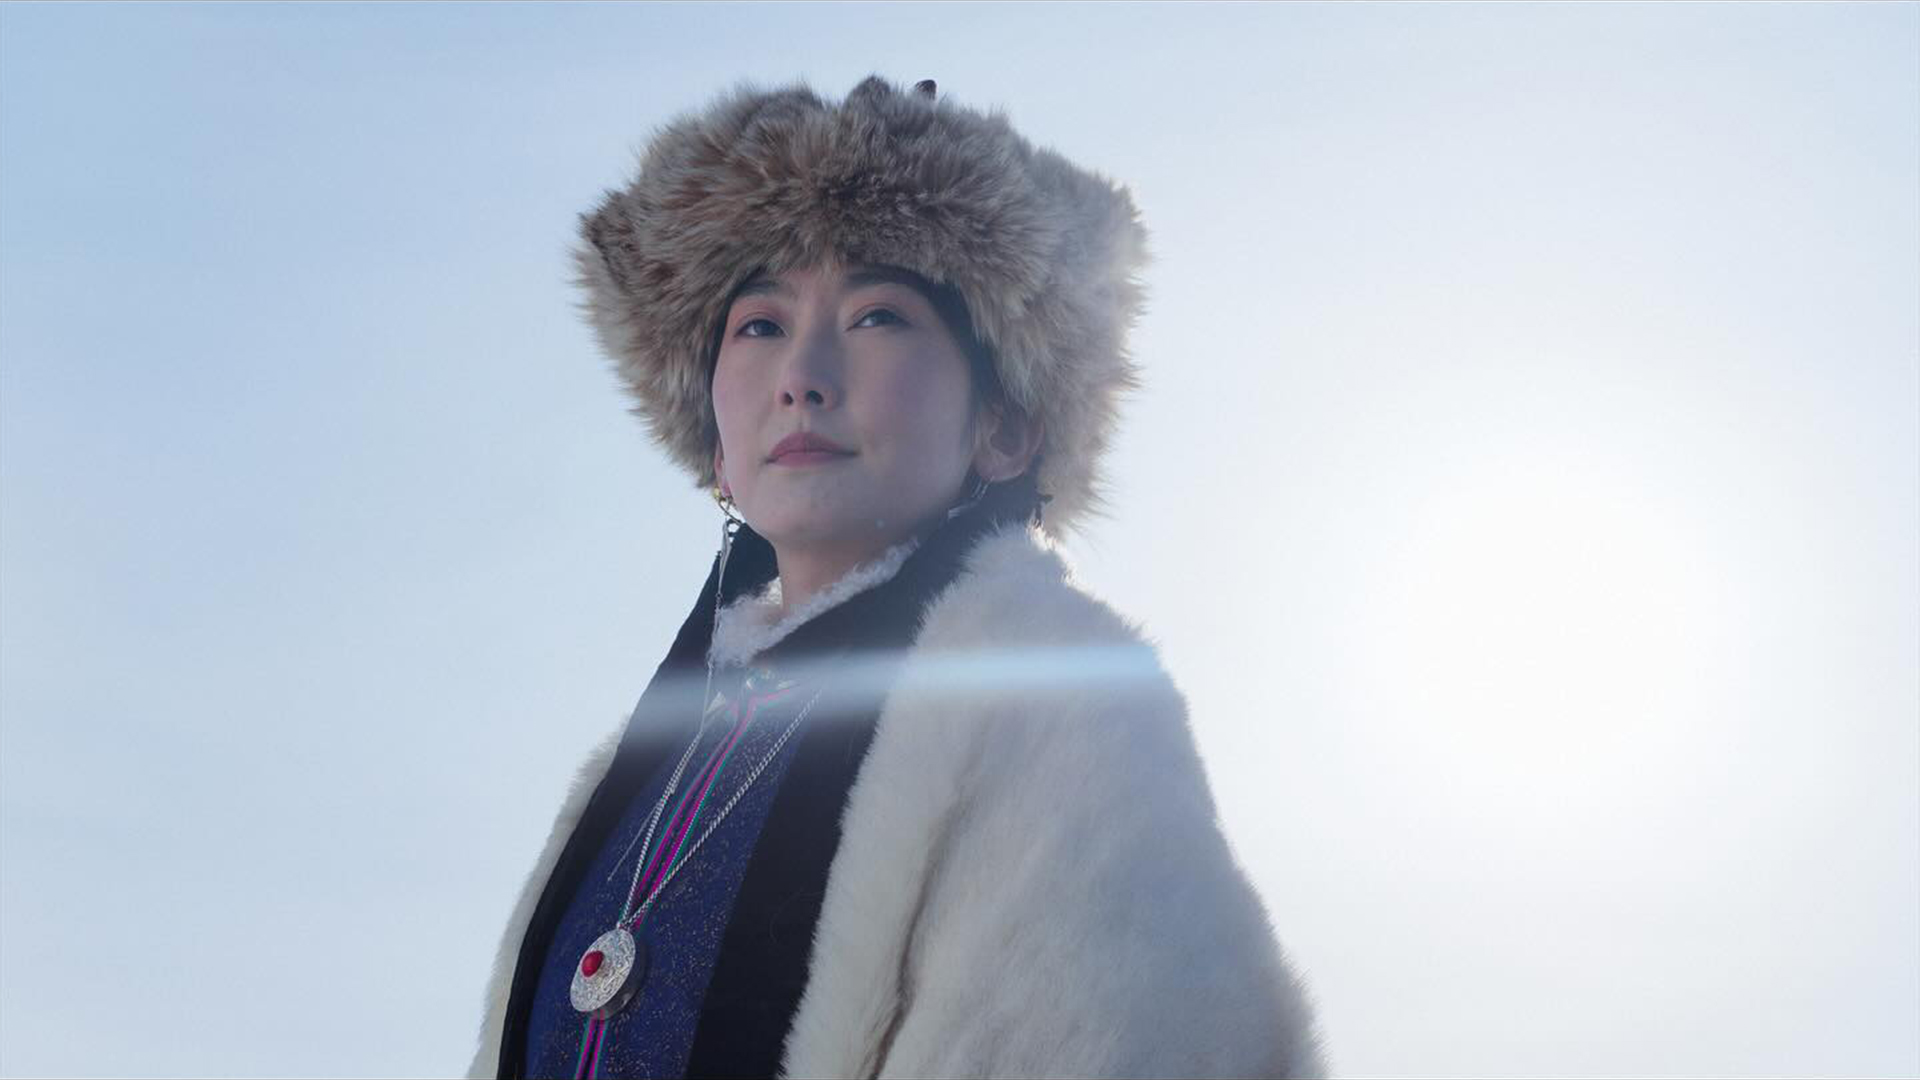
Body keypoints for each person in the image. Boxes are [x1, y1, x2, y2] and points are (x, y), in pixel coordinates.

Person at [468, 74, 1327, 1079]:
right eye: (759, 326)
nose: (803, 377)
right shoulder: (645, 771)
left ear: (1004, 430)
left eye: (877, 316)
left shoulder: (1059, 699)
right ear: (716, 454)